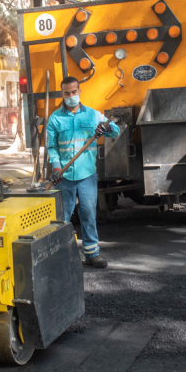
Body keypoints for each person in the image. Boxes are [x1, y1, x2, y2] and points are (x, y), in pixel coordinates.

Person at [46, 76, 120, 268]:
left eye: (74, 92)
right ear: (62, 94)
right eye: (67, 93)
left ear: (79, 92)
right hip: (64, 176)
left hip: (87, 174)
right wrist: (56, 167)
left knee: (88, 214)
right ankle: (62, 255)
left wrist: (106, 127)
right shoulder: (55, 118)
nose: (71, 96)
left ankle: (92, 253)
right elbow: (52, 147)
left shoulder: (93, 115)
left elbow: (115, 131)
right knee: (62, 218)